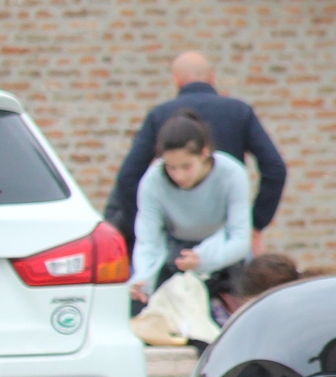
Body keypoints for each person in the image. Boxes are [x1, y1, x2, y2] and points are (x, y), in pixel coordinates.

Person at [106, 51, 288, 254]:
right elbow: (275, 168)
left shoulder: (160, 116)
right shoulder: (239, 112)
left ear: (176, 80)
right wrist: (255, 223)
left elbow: (128, 177)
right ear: (212, 76)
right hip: (227, 232)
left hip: (177, 236)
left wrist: (148, 228)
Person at [129, 112, 254, 306]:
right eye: (171, 167)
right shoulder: (153, 181)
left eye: (186, 166)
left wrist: (203, 260)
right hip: (176, 252)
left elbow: (240, 239)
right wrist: (142, 279)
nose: (178, 176)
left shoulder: (232, 174)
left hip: (224, 252)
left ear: (205, 154)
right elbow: (148, 241)